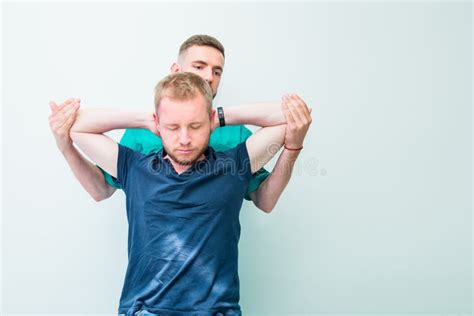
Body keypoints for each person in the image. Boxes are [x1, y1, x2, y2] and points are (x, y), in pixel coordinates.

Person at [66, 72, 311, 315]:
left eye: (195, 126)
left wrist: (220, 116)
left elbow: (285, 117)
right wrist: (147, 119)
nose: (184, 139)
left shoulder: (234, 166)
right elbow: (78, 126)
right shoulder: (135, 168)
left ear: (210, 121)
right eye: (173, 127)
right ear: (158, 124)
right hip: (144, 310)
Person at [48, 35, 312, 212]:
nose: (209, 76)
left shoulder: (237, 136)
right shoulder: (141, 136)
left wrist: (216, 117)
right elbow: (101, 190)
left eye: (217, 71)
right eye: (199, 66)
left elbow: (264, 201)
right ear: (176, 71)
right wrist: (67, 147)